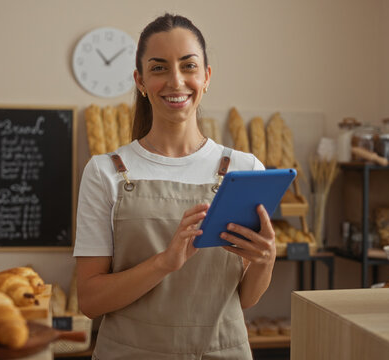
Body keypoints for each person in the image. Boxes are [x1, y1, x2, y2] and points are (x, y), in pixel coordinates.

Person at [74, 13, 276, 359]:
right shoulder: (104, 171)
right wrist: (165, 262)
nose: (176, 81)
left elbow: (244, 299)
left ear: (206, 76)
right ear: (139, 80)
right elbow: (91, 302)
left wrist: (265, 260)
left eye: (188, 66)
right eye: (159, 68)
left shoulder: (245, 169)